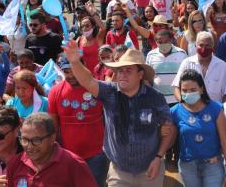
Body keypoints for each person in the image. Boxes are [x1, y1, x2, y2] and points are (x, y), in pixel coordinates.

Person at [61, 44, 176, 187]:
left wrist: (159, 157)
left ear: (140, 75)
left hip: (151, 169)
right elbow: (87, 81)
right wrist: (74, 62)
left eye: (129, 70)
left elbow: (169, 129)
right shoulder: (109, 92)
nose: (122, 74)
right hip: (119, 172)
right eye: (120, 70)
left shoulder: (155, 97)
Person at [49, 55, 107, 186]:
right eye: (66, 71)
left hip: (97, 155)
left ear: (83, 67)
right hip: (68, 156)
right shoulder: (55, 92)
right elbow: (53, 127)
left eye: (74, 70)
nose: (70, 75)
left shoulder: (98, 88)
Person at [171, 70, 226, 187]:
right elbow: (169, 138)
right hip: (187, 167)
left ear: (201, 89)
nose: (188, 93)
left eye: (193, 90)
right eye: (184, 90)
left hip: (213, 165)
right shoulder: (175, 111)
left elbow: (225, 142)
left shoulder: (216, 108)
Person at [6, 112, 98, 187]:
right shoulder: (15, 163)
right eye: (25, 140)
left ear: (52, 138)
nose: (29, 146)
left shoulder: (74, 164)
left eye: (36, 140)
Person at [173, 31, 226, 103]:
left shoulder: (222, 66)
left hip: (215, 111)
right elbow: (177, 87)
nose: (204, 48)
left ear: (212, 47)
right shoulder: (186, 63)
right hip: (191, 109)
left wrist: (223, 110)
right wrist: (183, 104)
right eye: (201, 45)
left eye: (207, 45)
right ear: (195, 46)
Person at [146, 29, 188, 104]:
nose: (163, 44)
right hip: (158, 100)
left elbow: (187, 77)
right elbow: (147, 78)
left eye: (166, 42)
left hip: (177, 100)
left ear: (171, 40)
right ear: (156, 42)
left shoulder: (182, 54)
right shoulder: (150, 55)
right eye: (160, 42)